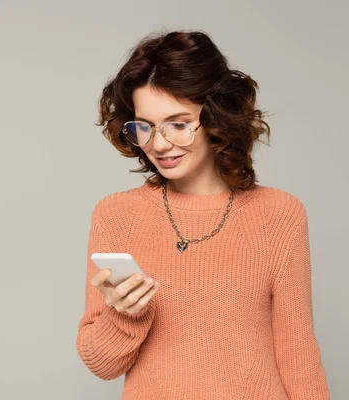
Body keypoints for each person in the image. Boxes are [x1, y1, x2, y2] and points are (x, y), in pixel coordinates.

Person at [76, 30, 330, 399]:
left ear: (214, 118)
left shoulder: (279, 214)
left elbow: (298, 356)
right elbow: (102, 366)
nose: (159, 144)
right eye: (144, 126)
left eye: (178, 123)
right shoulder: (117, 214)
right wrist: (123, 315)